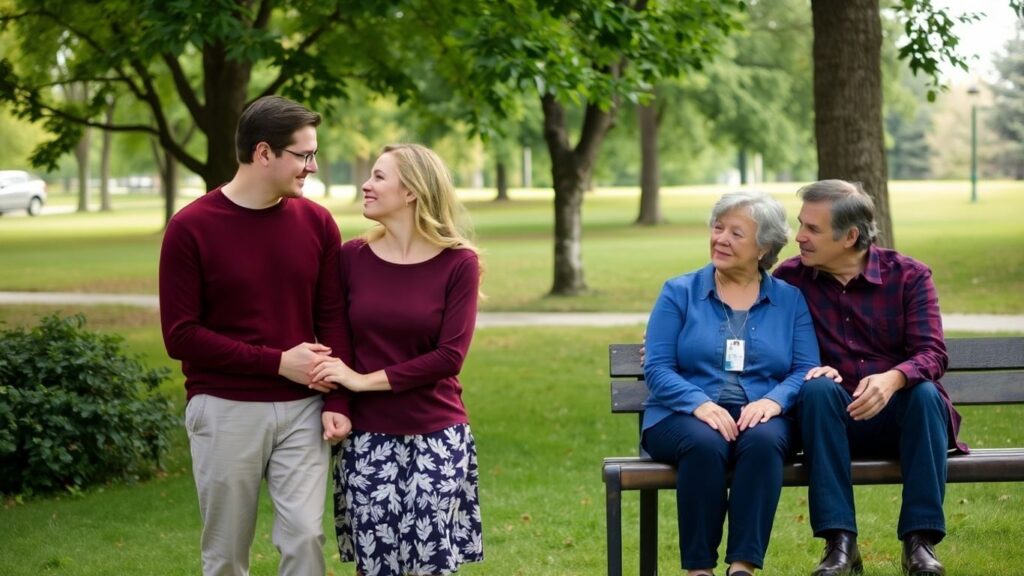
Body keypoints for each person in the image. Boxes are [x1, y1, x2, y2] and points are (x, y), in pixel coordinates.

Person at [159, 95, 351, 576]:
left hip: (304, 408)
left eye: (313, 154)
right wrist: (275, 362)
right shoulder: (191, 228)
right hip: (224, 409)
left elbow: (332, 318)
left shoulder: (318, 223)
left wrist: (338, 401)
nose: (311, 166)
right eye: (303, 155)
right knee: (226, 554)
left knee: (306, 537)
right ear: (263, 153)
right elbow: (181, 336)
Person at [774, 179, 961, 576]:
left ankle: (919, 542)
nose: (799, 237)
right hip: (831, 420)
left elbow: (933, 353)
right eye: (800, 224)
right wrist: (670, 336)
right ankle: (840, 544)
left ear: (850, 236)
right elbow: (739, 311)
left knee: (926, 393)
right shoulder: (789, 279)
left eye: (812, 229)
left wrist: (894, 378)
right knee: (819, 390)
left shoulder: (909, 276)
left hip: (904, 420)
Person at [314, 143, 484, 576]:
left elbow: (449, 357)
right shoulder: (352, 257)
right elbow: (340, 336)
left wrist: (361, 381)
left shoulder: (459, 262)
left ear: (411, 191)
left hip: (438, 435)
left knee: (432, 564)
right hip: (367, 439)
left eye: (378, 177)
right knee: (376, 566)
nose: (366, 185)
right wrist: (340, 400)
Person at [643, 191, 820, 576]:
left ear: (764, 247)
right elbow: (657, 368)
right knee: (705, 442)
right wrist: (699, 404)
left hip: (761, 412)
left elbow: (806, 368)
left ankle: (742, 566)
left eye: (736, 233)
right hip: (681, 415)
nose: (720, 238)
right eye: (717, 227)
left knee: (763, 441)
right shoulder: (679, 292)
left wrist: (774, 401)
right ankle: (699, 569)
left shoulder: (790, 301)